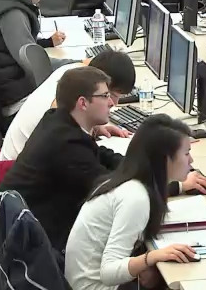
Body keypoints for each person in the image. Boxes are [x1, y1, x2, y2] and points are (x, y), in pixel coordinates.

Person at [0, 68, 206, 252]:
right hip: (36, 240)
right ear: (83, 103)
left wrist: (149, 165)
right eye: (105, 96)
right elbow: (111, 189)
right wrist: (174, 184)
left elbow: (103, 156)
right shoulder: (66, 145)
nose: (111, 103)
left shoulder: (60, 122)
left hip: (28, 224)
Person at [65, 114, 198, 290]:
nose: (191, 161)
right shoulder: (136, 197)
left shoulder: (131, 183)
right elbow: (108, 272)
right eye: (187, 153)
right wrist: (150, 258)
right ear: (165, 159)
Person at [0, 50, 136, 162]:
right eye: (110, 95)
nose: (114, 103)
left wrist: (94, 127)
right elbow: (77, 157)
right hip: (17, 171)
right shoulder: (62, 110)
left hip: (19, 161)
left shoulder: (72, 75)